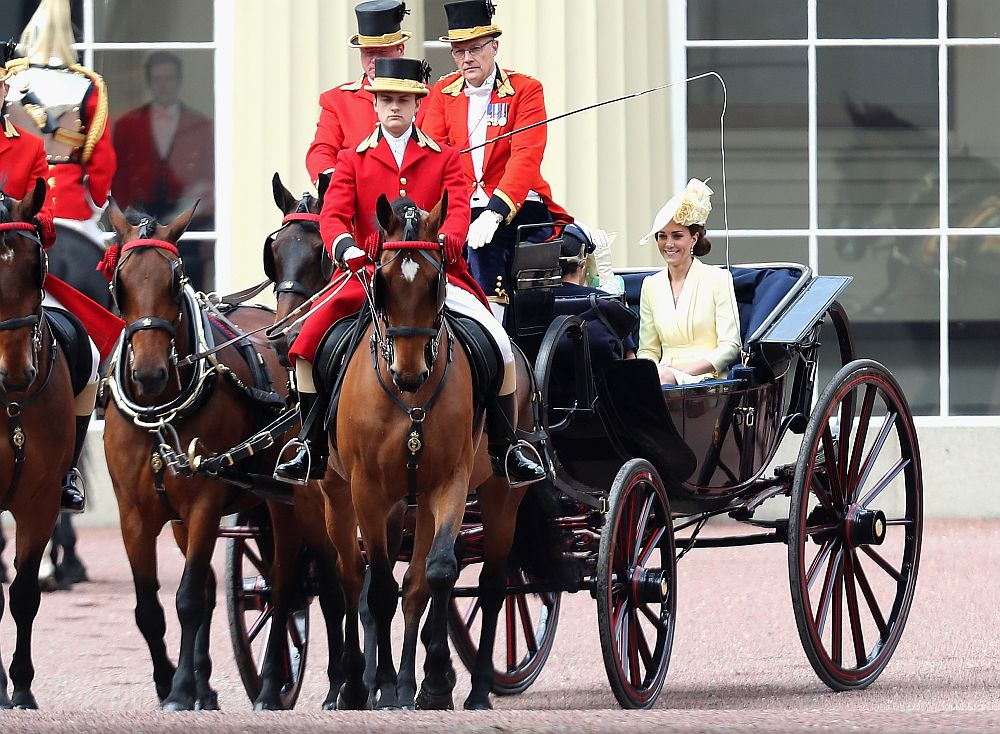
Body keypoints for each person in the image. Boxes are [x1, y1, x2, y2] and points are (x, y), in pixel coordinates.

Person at [276, 57, 544, 487]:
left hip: (435, 279)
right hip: (366, 277)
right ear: (376, 104)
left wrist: (453, 235)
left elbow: (457, 206)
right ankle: (311, 445)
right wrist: (345, 248)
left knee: (501, 345)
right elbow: (333, 217)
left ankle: (505, 447)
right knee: (306, 348)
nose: (394, 107)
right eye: (386, 100)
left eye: (403, 99)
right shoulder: (351, 159)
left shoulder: (446, 157)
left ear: (417, 104)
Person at [1, 45, 123, 512]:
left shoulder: (31, 146)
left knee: (88, 356)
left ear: (6, 90)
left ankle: (67, 469)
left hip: (20, 271)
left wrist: (28, 223)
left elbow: (48, 217)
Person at [419, 0, 571, 302]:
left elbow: (526, 155)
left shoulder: (525, 89)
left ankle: (494, 335)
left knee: (481, 246)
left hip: (517, 206)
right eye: (459, 51)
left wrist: (496, 211)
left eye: (475, 49)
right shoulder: (443, 93)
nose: (467, 59)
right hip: (463, 206)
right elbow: (434, 156)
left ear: (494, 47)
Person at [3, 0, 116, 243]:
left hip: (14, 203)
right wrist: (95, 205)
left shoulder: (8, 81)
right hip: (70, 208)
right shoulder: (89, 86)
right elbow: (103, 163)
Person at [636, 178, 741, 386]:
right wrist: (650, 371)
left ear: (693, 238)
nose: (669, 244)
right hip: (661, 379)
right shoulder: (651, 285)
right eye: (662, 236)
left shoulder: (718, 279)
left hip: (706, 379)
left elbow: (730, 346)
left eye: (677, 236)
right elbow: (648, 349)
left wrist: (682, 371)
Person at [305, 0, 411, 186]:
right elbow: (322, 150)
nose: (374, 60)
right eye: (368, 52)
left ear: (400, 49)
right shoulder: (337, 100)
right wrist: (336, 183)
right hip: (354, 199)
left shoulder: (427, 97)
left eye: (382, 52)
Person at [111, 51, 215, 230]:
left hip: (187, 221)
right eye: (157, 78)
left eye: (169, 78)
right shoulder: (126, 125)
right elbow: (119, 178)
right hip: (138, 219)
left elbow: (208, 177)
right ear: (149, 82)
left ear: (179, 81)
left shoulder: (200, 126)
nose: (163, 85)